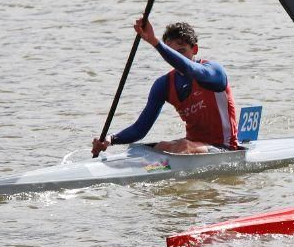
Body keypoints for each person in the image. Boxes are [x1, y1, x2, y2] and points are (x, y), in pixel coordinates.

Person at [91, 19, 238, 156]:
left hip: (224, 148)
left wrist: (154, 41)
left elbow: (190, 69)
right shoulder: (164, 85)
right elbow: (140, 129)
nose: (176, 58)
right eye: (171, 53)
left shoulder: (213, 72)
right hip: (193, 147)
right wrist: (111, 139)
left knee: (183, 145)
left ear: (195, 49)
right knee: (157, 146)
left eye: (181, 52)